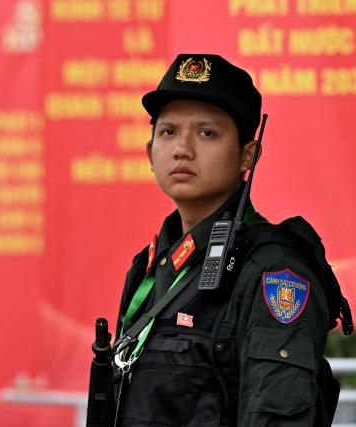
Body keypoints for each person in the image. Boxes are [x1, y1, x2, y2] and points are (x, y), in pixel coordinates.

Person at [112, 54, 340, 426]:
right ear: (149, 153)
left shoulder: (274, 272)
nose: (182, 149)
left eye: (207, 133)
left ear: (247, 155)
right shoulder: (148, 269)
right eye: (168, 132)